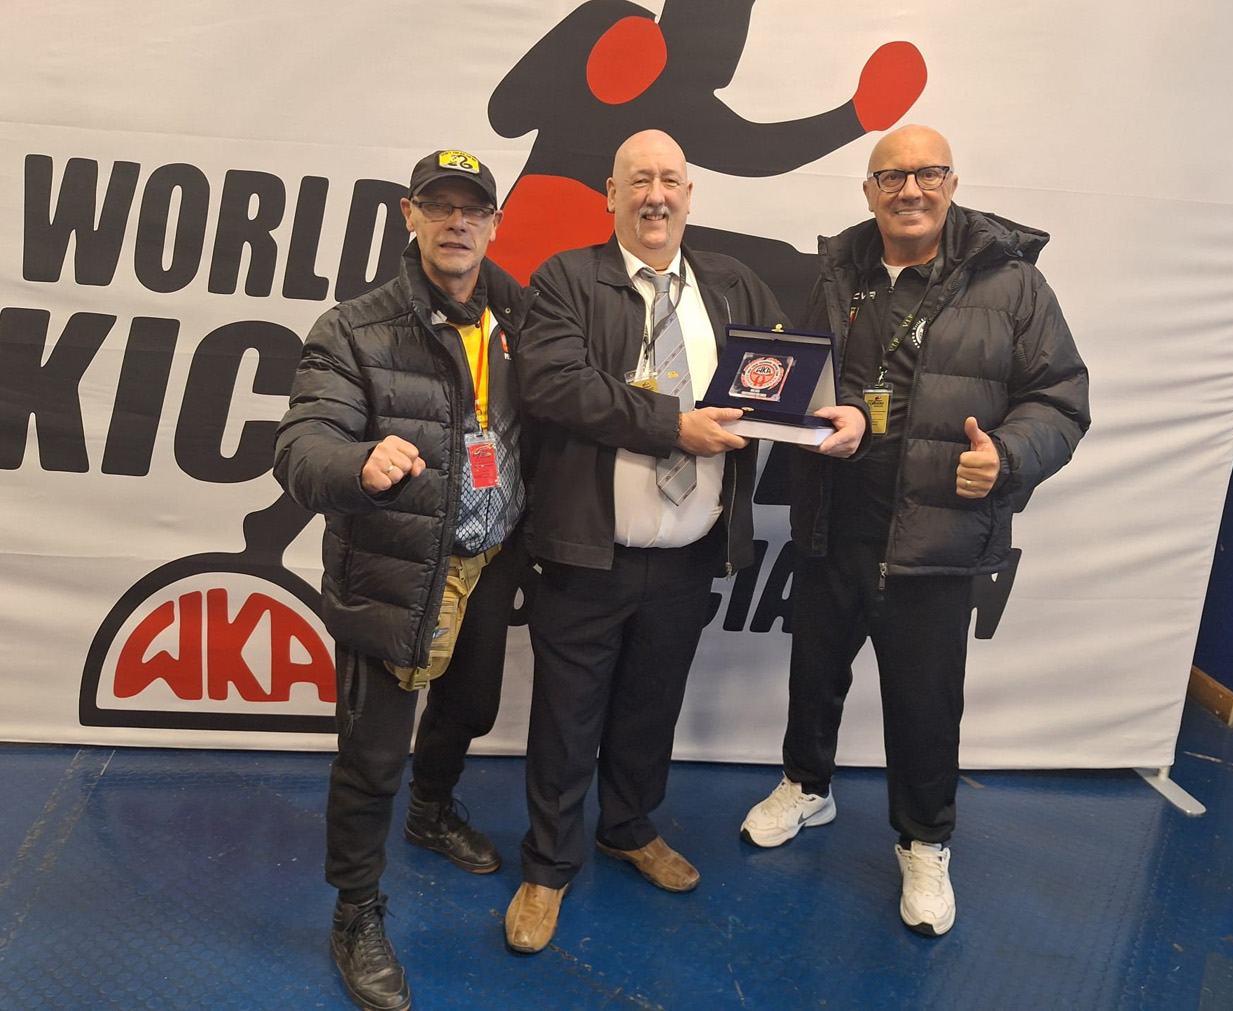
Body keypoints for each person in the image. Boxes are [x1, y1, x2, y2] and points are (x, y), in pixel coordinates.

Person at [505, 128, 866, 954]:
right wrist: (675, 425)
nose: (656, 195)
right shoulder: (566, 278)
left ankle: (627, 827)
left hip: (689, 551)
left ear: (690, 195)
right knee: (566, 718)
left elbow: (784, 375)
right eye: (639, 180)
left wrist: (836, 412)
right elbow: (554, 383)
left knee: (650, 705)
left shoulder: (730, 284)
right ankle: (548, 865)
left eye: (670, 180)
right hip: (586, 552)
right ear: (611, 194)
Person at [740, 125, 1090, 938]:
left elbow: (1061, 401)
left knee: (925, 702)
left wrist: (1007, 456)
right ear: (869, 191)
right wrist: (812, 416)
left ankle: (925, 840)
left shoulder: (1014, 286)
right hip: (833, 520)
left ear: (952, 182)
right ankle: (807, 784)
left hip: (935, 535)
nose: (909, 190)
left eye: (927, 173)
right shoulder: (839, 271)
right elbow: (817, 381)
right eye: (891, 177)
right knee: (814, 674)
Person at [274, 150, 531, 1011]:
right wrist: (357, 463)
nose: (457, 222)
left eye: (473, 208)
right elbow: (302, 443)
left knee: (471, 708)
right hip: (397, 568)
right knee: (372, 755)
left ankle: (432, 810)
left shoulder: (521, 314)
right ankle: (355, 909)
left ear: (494, 223)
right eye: (439, 205)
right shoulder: (355, 328)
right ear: (408, 213)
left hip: (489, 556)